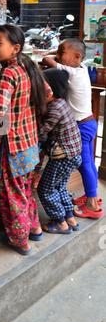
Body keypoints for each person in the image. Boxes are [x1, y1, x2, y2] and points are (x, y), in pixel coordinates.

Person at [0, 24, 47, 255]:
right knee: (24, 191)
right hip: (30, 143)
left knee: (13, 195)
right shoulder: (27, 66)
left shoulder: (8, 74)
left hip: (12, 146)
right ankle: (35, 229)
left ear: (15, 48)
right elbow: (48, 93)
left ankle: (20, 240)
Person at [42, 39, 104, 219]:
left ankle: (92, 204)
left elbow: (47, 59)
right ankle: (92, 195)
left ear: (77, 56)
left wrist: (53, 54)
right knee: (89, 162)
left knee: (84, 163)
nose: (59, 56)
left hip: (81, 126)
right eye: (59, 52)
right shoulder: (81, 68)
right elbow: (56, 58)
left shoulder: (70, 72)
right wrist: (61, 52)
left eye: (62, 52)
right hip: (89, 121)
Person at [37, 69, 82, 233]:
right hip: (73, 155)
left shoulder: (54, 108)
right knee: (60, 186)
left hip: (64, 157)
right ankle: (70, 218)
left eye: (43, 88)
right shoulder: (62, 103)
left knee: (45, 188)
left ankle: (60, 222)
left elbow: (42, 132)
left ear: (51, 90)